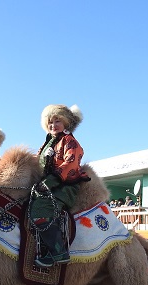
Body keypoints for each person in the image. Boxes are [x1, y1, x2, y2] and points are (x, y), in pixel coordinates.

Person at [31, 104, 89, 267]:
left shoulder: (70, 142)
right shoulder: (46, 144)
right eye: (50, 122)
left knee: (41, 209)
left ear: (65, 123)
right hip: (45, 185)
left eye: (57, 121)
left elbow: (71, 163)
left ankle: (58, 251)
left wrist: (50, 182)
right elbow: (37, 163)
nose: (53, 125)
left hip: (65, 186)